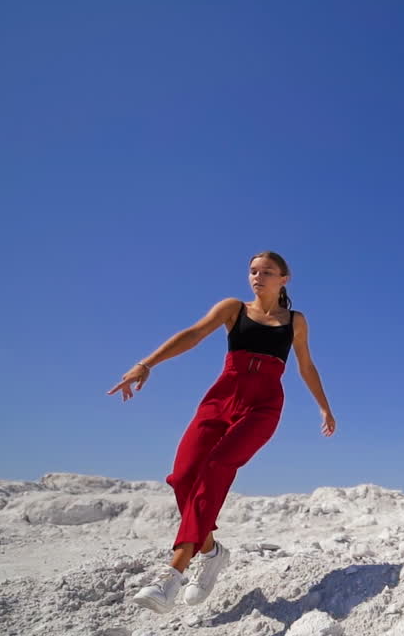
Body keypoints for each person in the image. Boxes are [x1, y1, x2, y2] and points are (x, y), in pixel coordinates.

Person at [108, 251, 336, 613]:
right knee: (182, 476)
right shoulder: (233, 308)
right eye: (252, 271)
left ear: (284, 279)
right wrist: (145, 363)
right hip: (221, 399)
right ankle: (212, 552)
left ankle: (172, 574)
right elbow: (193, 335)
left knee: (216, 466)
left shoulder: (296, 321)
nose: (257, 276)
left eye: (266, 271)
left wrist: (324, 406)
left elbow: (305, 364)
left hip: (263, 406)